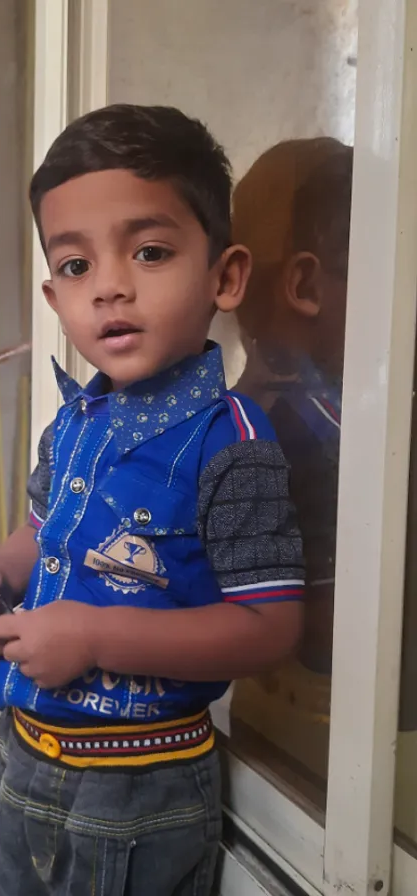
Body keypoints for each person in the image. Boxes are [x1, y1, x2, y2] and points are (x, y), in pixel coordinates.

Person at [0, 104, 304, 896]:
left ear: (225, 276)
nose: (110, 287)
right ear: (54, 297)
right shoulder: (77, 418)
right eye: (77, 268)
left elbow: (268, 626)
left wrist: (95, 635)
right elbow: (44, 529)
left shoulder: (234, 442)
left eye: (150, 252)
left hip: (138, 791)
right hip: (22, 757)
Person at [230, 139, 352, 771]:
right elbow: (333, 629)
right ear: (304, 283)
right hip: (321, 740)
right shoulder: (303, 433)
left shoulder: (242, 413)